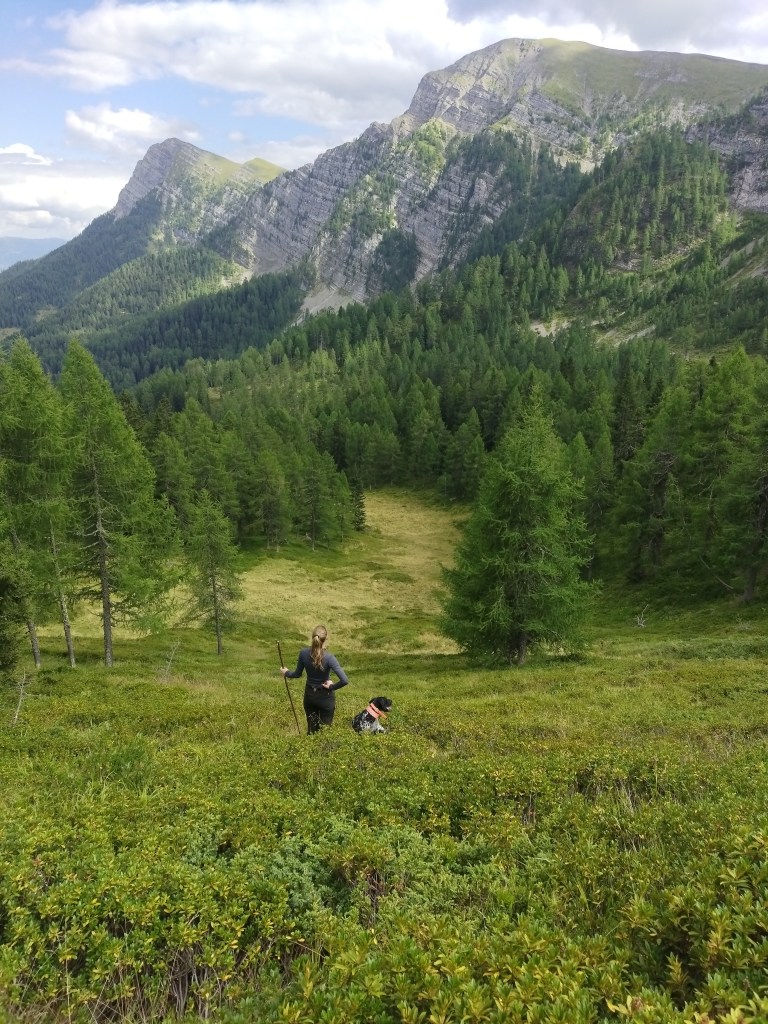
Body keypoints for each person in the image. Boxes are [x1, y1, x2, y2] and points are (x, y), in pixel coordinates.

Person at [280, 624, 349, 734]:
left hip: (310, 696)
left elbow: (297, 674)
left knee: (312, 731)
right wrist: (331, 686)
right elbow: (344, 680)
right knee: (325, 732)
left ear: (312, 637)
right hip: (325, 697)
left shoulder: (303, 653)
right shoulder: (330, 658)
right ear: (326, 639)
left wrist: (286, 673)